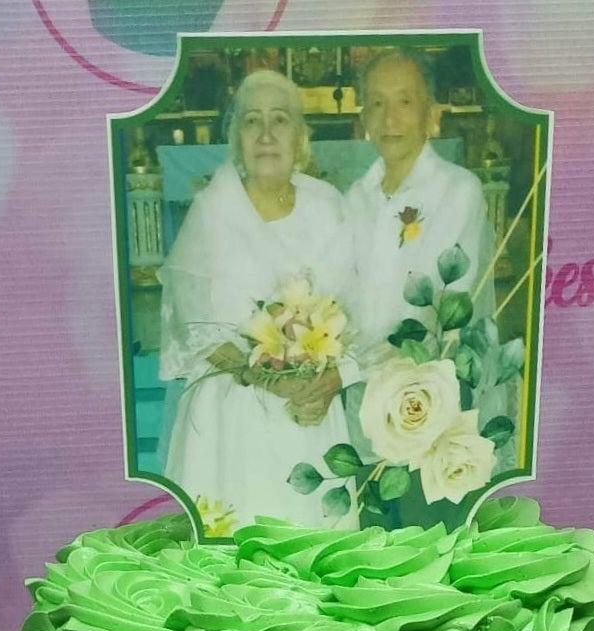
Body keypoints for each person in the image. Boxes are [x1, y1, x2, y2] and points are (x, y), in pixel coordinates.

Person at [159, 70, 358, 531]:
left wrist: (325, 380)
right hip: (232, 413)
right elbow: (194, 325)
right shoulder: (212, 209)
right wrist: (266, 376)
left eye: (280, 120)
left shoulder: (328, 205)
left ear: (301, 137)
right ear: (236, 138)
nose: (266, 134)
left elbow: (355, 309)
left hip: (310, 409)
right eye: (252, 121)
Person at [344, 50, 496, 362]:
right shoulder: (355, 197)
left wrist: (351, 373)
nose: (389, 118)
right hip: (354, 380)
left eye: (404, 102)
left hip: (425, 380)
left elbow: (437, 309)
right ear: (364, 121)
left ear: (431, 114)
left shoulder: (457, 190)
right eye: (376, 103)